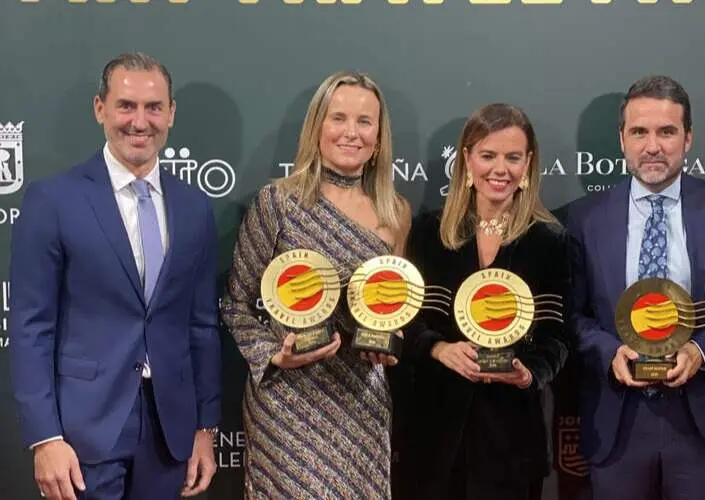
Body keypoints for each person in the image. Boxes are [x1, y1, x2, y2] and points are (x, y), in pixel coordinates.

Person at [10, 52, 221, 500]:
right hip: (84, 432)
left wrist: (205, 427)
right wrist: (45, 438)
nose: (139, 122)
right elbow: (30, 327)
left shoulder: (194, 207)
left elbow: (201, 326)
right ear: (100, 109)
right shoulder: (53, 199)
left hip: (170, 432)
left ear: (171, 114)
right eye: (126, 105)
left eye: (153, 107)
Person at [567, 75, 705, 500]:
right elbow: (572, 315)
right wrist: (610, 353)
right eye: (639, 132)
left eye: (667, 131)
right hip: (618, 421)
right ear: (622, 138)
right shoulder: (584, 218)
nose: (653, 145)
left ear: (688, 138)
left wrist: (700, 353)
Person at [221, 70, 411, 499]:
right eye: (338, 118)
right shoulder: (278, 202)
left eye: (365, 122)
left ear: (379, 137)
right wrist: (274, 356)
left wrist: (389, 341)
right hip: (288, 406)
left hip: (360, 403)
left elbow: (392, 307)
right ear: (317, 127)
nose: (351, 132)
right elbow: (236, 305)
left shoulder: (395, 211)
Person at [404, 103, 571, 499]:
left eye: (513, 157)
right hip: (435, 436)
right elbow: (406, 321)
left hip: (512, 440)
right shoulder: (431, 231)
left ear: (528, 163)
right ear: (466, 159)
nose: (500, 169)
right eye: (488, 156)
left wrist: (530, 373)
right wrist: (439, 348)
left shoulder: (548, 240)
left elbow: (557, 336)